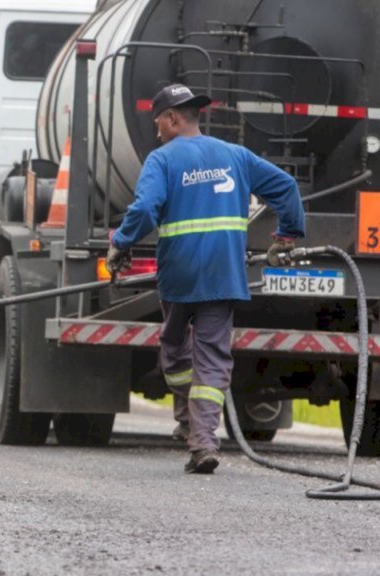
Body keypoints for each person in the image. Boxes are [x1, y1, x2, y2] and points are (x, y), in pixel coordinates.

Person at [107, 83, 305, 474]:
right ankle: (201, 439)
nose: (157, 131)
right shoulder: (236, 156)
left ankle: (191, 425)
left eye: (158, 123)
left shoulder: (162, 160)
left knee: (174, 346)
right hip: (223, 274)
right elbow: (286, 187)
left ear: (173, 119)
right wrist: (286, 236)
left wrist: (121, 243)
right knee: (212, 356)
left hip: (180, 273)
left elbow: (145, 207)